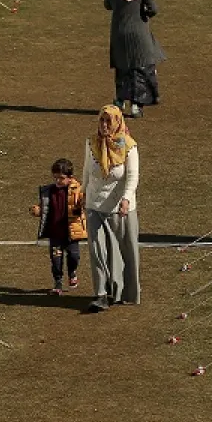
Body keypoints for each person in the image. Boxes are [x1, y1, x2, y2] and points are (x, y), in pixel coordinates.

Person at [83, 106, 140, 312]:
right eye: (101, 121)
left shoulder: (129, 147)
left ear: (117, 123)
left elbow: (132, 177)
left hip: (119, 208)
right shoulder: (91, 143)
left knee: (121, 253)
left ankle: (122, 292)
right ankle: (101, 294)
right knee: (97, 250)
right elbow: (87, 170)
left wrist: (126, 199)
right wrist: (82, 193)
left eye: (109, 122)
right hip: (94, 205)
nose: (104, 126)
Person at [104, 0, 165, 118]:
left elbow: (107, 5)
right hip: (140, 35)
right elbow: (153, 9)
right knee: (139, 68)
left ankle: (120, 100)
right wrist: (143, 13)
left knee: (122, 67)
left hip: (119, 34)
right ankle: (136, 105)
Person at [30, 158, 87, 293]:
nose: (57, 181)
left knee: (74, 256)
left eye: (61, 178)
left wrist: (81, 207)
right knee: (56, 259)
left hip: (71, 233)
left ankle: (72, 272)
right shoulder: (49, 191)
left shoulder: (77, 190)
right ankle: (58, 282)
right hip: (55, 233)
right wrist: (38, 210)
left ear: (70, 178)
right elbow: (45, 206)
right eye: (55, 178)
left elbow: (82, 205)